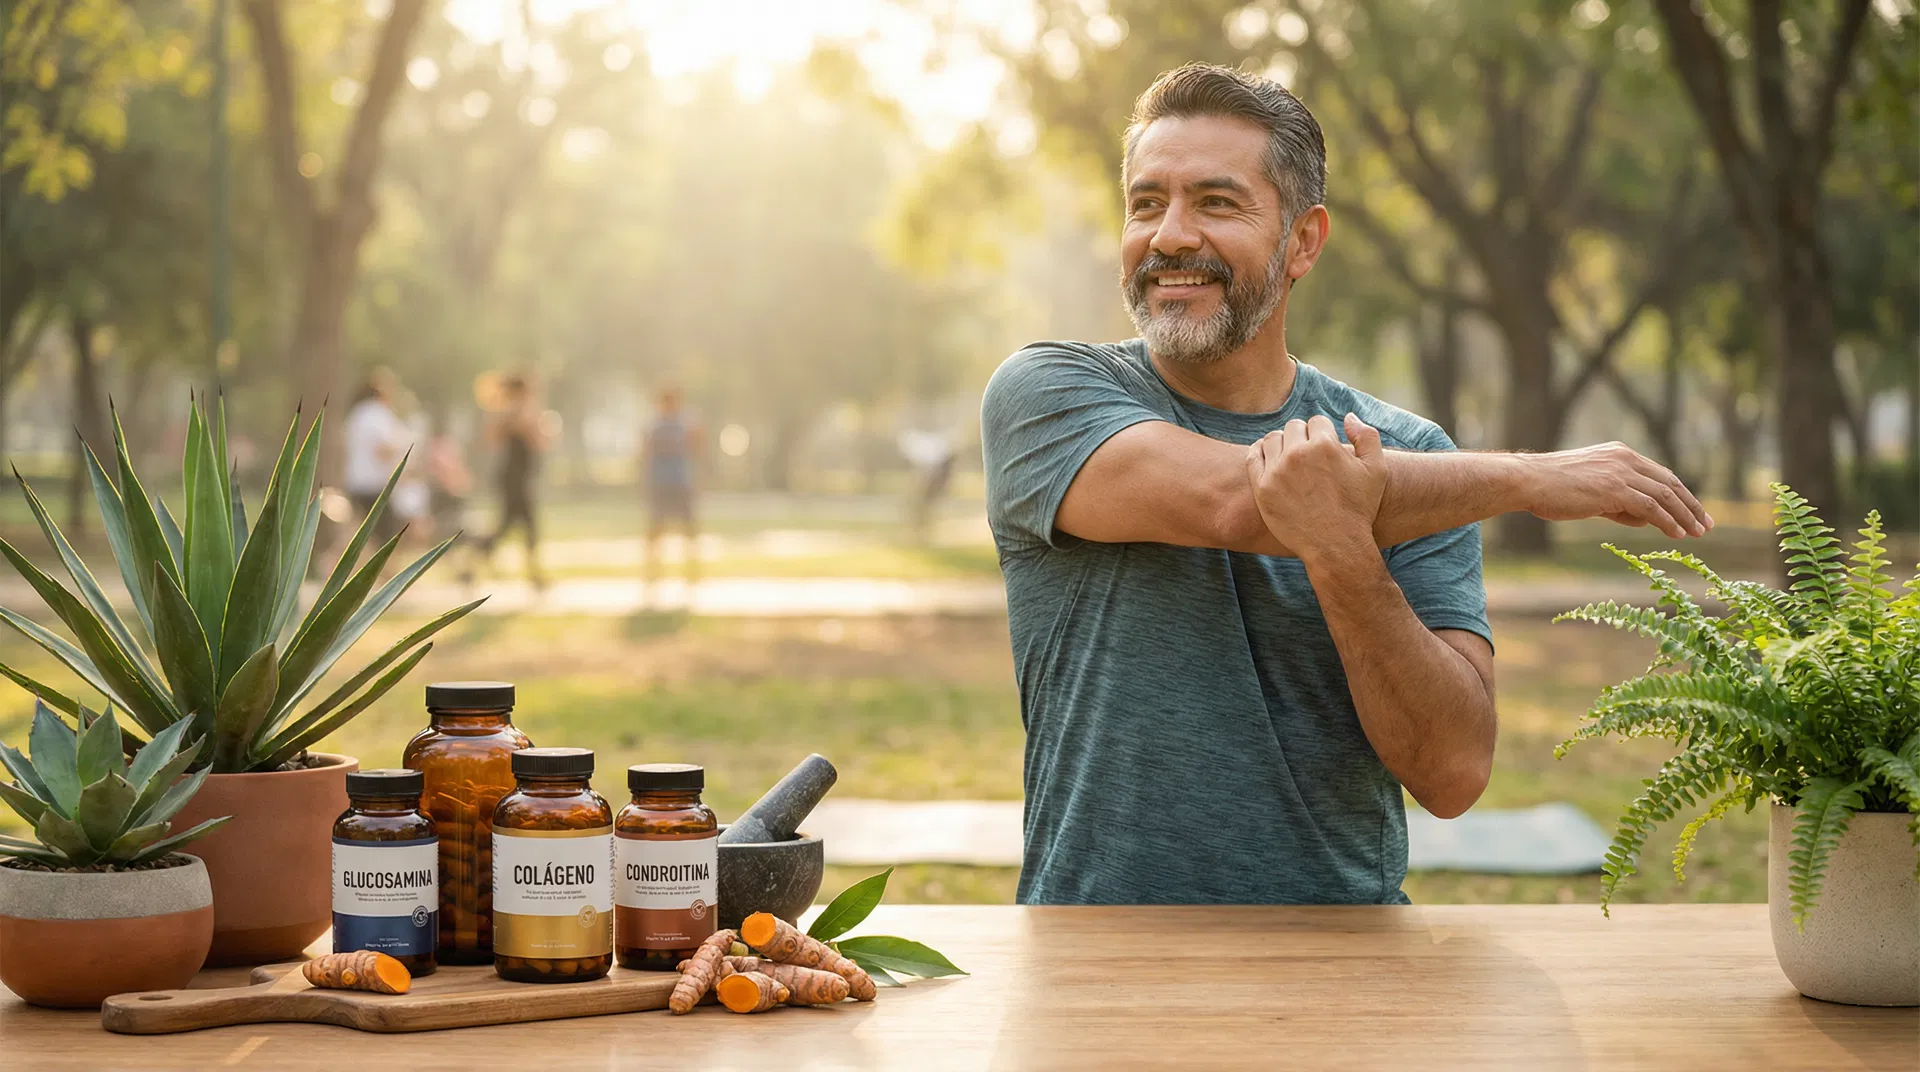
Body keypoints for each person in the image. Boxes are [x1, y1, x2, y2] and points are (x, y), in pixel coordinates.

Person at [980, 64, 1713, 907]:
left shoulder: (1417, 456)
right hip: (1094, 954)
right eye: (1147, 203)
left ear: (1303, 241)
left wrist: (1344, 558)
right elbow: (1235, 498)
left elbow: (1451, 774)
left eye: (1216, 203)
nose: (1170, 235)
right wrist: (1522, 478)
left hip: (1349, 960)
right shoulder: (1047, 394)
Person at [477, 373, 553, 587]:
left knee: (510, 524)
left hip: (522, 475)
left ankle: (476, 558)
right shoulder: (512, 415)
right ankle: (535, 574)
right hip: (514, 477)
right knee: (525, 524)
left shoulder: (515, 414)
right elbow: (535, 439)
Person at [641, 386, 703, 597]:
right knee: (657, 527)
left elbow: (697, 446)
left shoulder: (686, 423)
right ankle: (653, 571)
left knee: (688, 526)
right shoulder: (654, 425)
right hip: (662, 481)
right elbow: (645, 451)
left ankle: (691, 569)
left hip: (680, 480)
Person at [342, 368, 411, 544]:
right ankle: (385, 571)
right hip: (375, 486)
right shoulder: (377, 414)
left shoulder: (357, 414)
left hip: (356, 483)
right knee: (386, 539)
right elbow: (383, 450)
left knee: (359, 534)